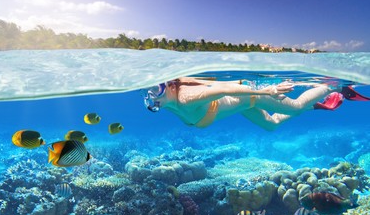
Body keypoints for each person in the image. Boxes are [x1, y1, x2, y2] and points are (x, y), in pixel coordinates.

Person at [141, 77, 369, 131]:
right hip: (243, 104)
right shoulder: (169, 103)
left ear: (170, 85)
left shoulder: (184, 97)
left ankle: (334, 86)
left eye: (157, 89)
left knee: (295, 106)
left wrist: (266, 90)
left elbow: (223, 89)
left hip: (252, 95)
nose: (153, 95)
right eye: (149, 91)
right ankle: (316, 105)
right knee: (271, 126)